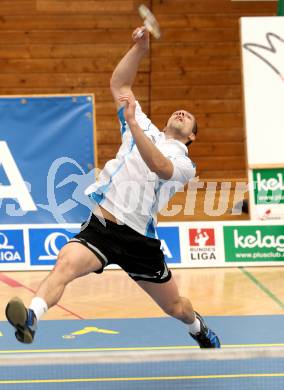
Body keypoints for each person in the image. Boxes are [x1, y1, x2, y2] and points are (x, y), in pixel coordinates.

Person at [5, 26, 220, 348]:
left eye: (188, 117)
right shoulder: (143, 124)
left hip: (138, 240)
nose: (181, 113)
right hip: (102, 226)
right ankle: (33, 317)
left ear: (192, 136)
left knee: (175, 307)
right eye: (178, 111)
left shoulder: (185, 163)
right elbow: (119, 83)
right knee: (64, 264)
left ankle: (198, 328)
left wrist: (133, 124)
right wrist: (140, 50)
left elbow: (159, 167)